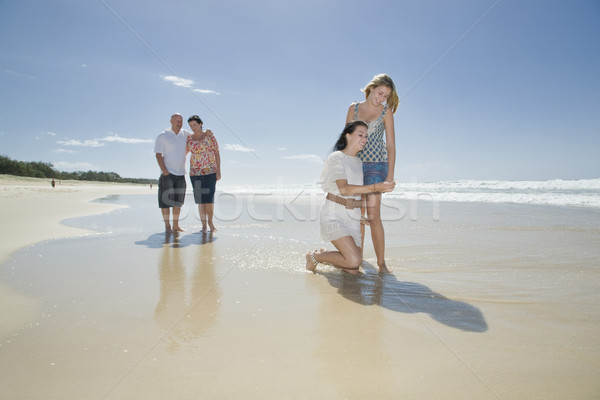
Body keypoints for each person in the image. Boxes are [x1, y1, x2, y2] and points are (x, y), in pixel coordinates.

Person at [306, 121, 395, 275]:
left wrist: (360, 215)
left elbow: (356, 193)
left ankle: (327, 253)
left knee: (352, 269)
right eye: (360, 135)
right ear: (348, 136)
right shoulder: (336, 157)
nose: (365, 139)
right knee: (354, 261)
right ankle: (314, 257)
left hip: (352, 218)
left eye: (366, 136)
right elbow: (345, 189)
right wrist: (376, 187)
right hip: (333, 215)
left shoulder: (359, 162)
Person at [345, 73, 399, 273]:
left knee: (374, 215)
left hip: (377, 165)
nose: (381, 98)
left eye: (385, 96)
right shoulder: (354, 108)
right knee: (357, 216)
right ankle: (356, 259)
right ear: (371, 89)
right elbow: (347, 139)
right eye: (380, 93)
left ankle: (381, 263)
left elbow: (391, 146)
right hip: (355, 166)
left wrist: (390, 176)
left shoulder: (386, 112)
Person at [154, 113, 192, 233]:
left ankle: (176, 226)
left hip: (181, 174)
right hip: (167, 174)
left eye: (181, 121)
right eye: (177, 121)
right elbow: (158, 155)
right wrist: (165, 171)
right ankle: (167, 226)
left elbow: (197, 136)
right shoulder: (163, 136)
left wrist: (207, 131)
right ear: (171, 121)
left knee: (178, 203)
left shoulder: (185, 134)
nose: (179, 123)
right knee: (165, 202)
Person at [186, 115, 221, 232]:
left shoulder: (209, 136)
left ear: (201, 124)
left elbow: (216, 153)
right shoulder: (189, 139)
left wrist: (218, 170)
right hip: (195, 173)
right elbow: (184, 152)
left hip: (210, 171)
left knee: (209, 200)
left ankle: (211, 224)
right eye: (191, 126)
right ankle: (204, 226)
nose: (193, 127)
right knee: (201, 201)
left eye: (195, 125)